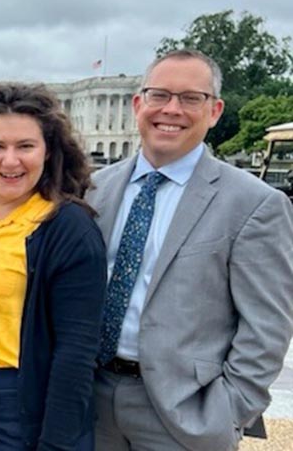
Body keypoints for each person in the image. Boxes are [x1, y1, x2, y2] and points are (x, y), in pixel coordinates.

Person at [87, 49, 293, 450]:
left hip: (184, 414)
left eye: (190, 98)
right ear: (138, 104)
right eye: (160, 95)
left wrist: (229, 410)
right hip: (92, 401)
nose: (172, 109)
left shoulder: (254, 204)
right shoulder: (95, 188)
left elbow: (267, 325)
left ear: (214, 110)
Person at [0, 83, 106, 451]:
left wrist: (56, 442)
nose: (10, 161)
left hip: (24, 400)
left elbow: (76, 352)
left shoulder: (66, 228)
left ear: (48, 152)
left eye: (25, 146)